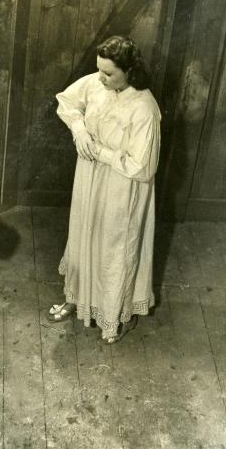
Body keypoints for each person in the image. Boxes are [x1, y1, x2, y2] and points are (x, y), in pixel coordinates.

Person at [49, 35, 161, 344]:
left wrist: (99, 152)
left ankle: (112, 317)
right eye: (99, 70)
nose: (100, 77)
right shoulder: (98, 85)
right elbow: (66, 101)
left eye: (108, 73)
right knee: (83, 236)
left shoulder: (144, 108)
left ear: (129, 71)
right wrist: (79, 129)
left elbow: (143, 167)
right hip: (89, 178)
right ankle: (76, 298)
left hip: (122, 188)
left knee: (113, 250)